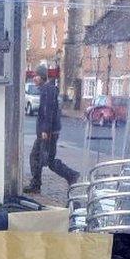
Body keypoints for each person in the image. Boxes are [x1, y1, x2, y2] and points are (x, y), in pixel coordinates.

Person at [24, 65, 79, 194]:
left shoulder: (47, 90)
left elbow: (47, 112)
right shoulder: (47, 89)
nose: (34, 79)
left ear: (42, 76)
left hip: (48, 133)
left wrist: (45, 130)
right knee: (40, 158)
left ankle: (70, 175)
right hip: (49, 132)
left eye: (36, 76)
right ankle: (37, 184)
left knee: (42, 158)